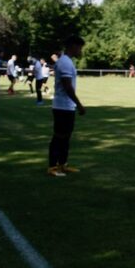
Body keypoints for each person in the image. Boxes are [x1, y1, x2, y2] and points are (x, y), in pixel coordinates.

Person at [47, 36, 86, 177]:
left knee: (66, 137)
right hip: (62, 106)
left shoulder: (67, 61)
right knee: (59, 137)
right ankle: (52, 167)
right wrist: (79, 104)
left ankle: (62, 165)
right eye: (79, 47)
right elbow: (68, 87)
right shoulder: (65, 63)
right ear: (72, 46)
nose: (81, 50)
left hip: (67, 107)